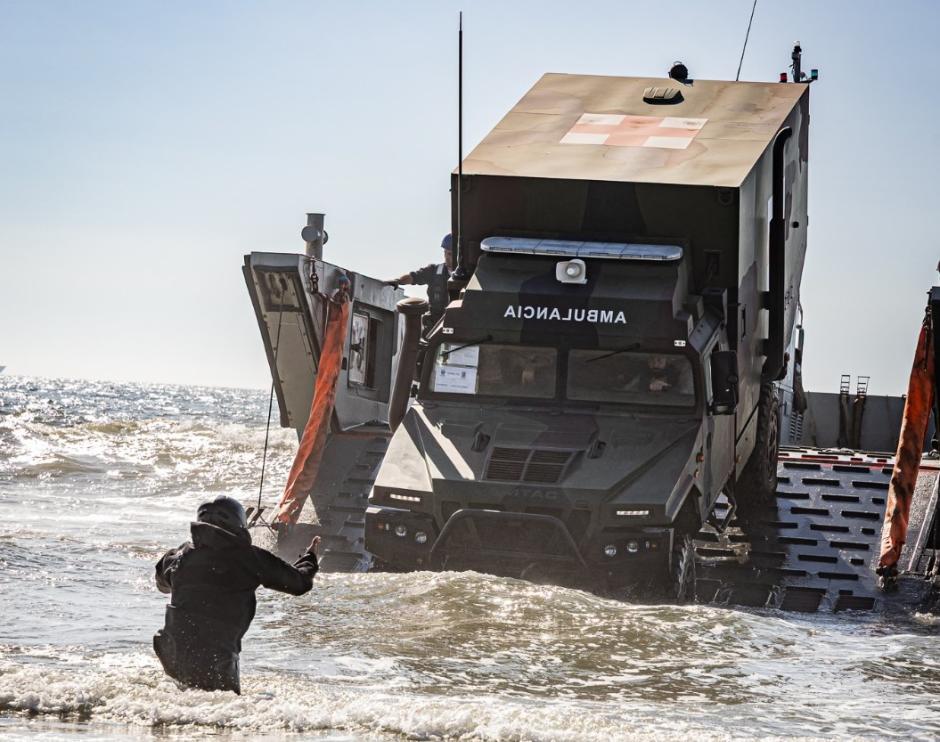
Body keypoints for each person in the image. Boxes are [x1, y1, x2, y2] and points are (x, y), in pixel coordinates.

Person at [153, 495, 320, 694]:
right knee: (221, 713)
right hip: (217, 655)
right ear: (239, 525)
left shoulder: (178, 555)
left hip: (171, 647)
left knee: (179, 702)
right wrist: (309, 558)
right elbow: (299, 584)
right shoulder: (250, 558)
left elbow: (162, 584)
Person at [386, 233, 454, 329]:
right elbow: (414, 277)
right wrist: (398, 281)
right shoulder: (433, 271)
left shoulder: (468, 275)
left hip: (457, 324)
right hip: (434, 326)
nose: (446, 257)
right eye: (445, 253)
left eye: (450, 254)